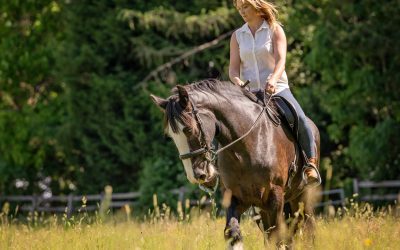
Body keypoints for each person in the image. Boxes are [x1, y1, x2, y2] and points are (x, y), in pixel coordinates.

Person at [229, 0, 321, 186]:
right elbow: (233, 70)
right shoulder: (237, 36)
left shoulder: (275, 29)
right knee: (225, 122)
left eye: (245, 7)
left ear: (257, 6)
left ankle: (310, 164)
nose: (242, 12)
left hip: (276, 89)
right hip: (249, 93)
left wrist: (272, 79)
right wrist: (237, 82)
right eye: (239, 9)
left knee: (299, 118)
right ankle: (219, 171)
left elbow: (281, 62)